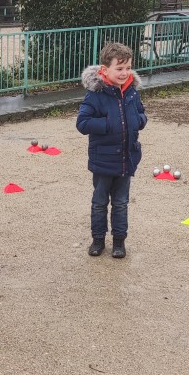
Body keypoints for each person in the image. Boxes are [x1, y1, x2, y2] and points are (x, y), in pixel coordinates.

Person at [76, 41, 148, 259]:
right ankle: (98, 239)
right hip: (103, 161)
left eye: (128, 68)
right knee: (99, 203)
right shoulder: (95, 95)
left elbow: (142, 114)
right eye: (119, 68)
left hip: (126, 158)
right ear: (105, 69)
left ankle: (119, 241)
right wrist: (107, 125)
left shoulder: (132, 93)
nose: (125, 73)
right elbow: (83, 123)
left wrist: (139, 120)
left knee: (121, 203)